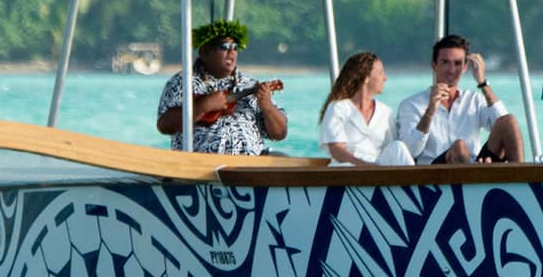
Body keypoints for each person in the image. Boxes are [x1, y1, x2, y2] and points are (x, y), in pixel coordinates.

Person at [156, 19, 287, 154]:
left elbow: (280, 133)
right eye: (224, 47)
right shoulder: (182, 83)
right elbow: (164, 126)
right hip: (201, 161)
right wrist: (202, 106)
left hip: (250, 161)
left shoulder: (251, 84)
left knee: (281, 158)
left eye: (235, 47)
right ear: (205, 51)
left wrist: (267, 106)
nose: (232, 52)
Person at [395, 33, 524, 163]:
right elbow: (410, 150)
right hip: (434, 171)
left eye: (457, 63)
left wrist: (483, 83)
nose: (451, 70)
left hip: (473, 165)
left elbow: (503, 125)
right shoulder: (411, 105)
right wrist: (430, 111)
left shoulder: (474, 100)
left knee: (509, 121)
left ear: (465, 67)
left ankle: (522, 173)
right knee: (459, 147)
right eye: (445, 62)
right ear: (434, 65)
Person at [318, 51, 415, 167]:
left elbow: (391, 147)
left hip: (376, 168)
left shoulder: (385, 111)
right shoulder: (338, 108)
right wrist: (364, 165)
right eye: (380, 73)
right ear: (365, 77)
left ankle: (417, 178)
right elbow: (337, 151)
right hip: (346, 168)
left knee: (398, 146)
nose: (385, 78)